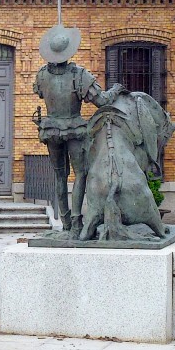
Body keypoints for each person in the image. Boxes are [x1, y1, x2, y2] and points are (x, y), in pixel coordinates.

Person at [33, 23, 123, 232]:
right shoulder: (79, 74)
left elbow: (40, 93)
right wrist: (116, 90)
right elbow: (101, 100)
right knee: (81, 173)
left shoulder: (42, 75)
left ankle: (64, 222)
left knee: (59, 175)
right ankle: (75, 221)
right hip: (74, 129)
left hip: (52, 130)